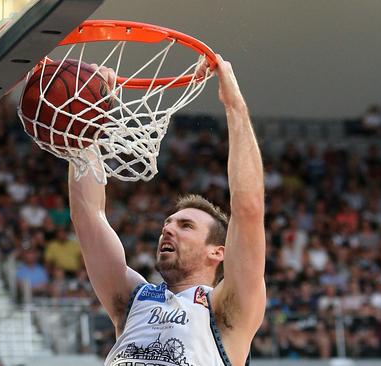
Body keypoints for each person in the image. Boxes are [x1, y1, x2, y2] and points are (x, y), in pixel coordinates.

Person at [68, 55, 266, 365]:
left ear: (218, 252)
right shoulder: (133, 299)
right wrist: (87, 120)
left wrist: (234, 107)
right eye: (168, 224)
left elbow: (249, 208)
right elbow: (88, 216)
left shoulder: (226, 311)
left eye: (186, 226)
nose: (168, 229)